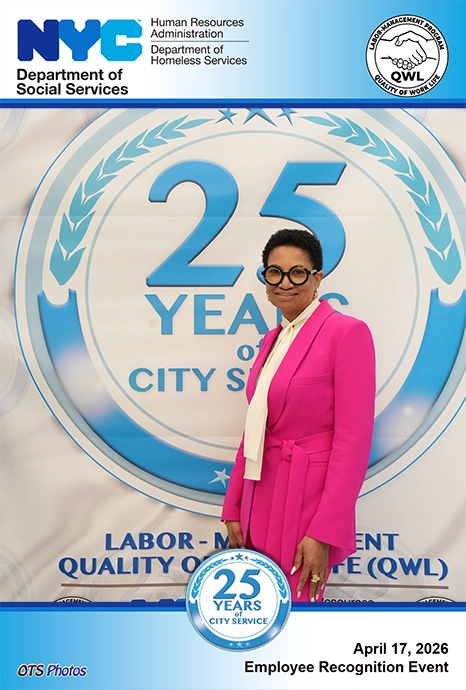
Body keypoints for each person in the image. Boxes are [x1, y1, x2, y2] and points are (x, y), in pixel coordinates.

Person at [221, 229, 376, 602]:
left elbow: (353, 442)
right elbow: (256, 426)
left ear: (317, 278)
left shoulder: (347, 333)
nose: (284, 283)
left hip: (307, 499)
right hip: (260, 490)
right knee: (260, 605)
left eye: (297, 272)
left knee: (297, 605)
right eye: (274, 272)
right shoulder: (271, 340)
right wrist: (234, 505)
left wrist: (324, 531)